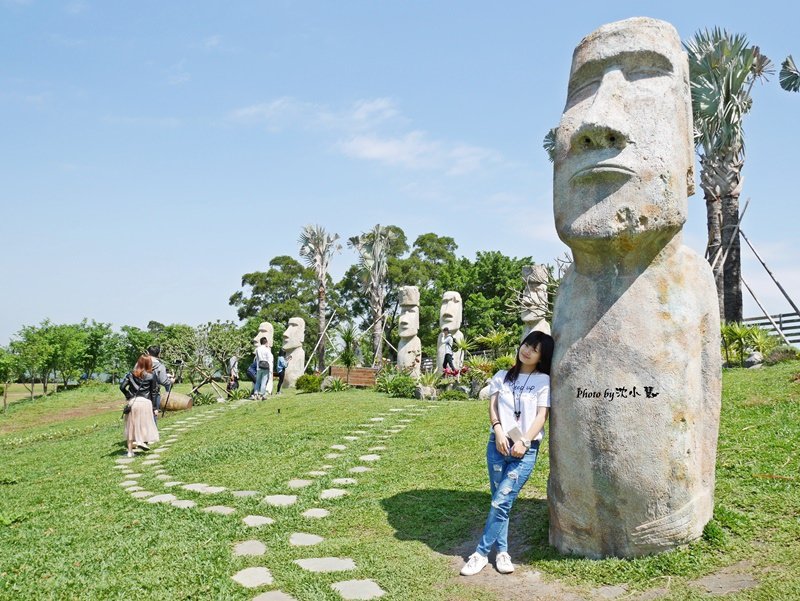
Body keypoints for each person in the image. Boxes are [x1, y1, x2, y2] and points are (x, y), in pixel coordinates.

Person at [460, 330, 554, 576]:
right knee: (499, 502)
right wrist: (499, 431)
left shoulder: (543, 380)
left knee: (502, 500)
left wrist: (524, 441)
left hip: (525, 449)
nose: (527, 351)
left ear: (541, 357)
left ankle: (480, 554)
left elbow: (541, 417)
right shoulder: (502, 376)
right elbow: (493, 409)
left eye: (535, 350)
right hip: (498, 444)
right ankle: (502, 552)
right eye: (527, 345)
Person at [120, 354, 160, 458]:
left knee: (131, 426)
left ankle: (129, 452)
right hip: (146, 403)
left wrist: (128, 395)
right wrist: (155, 408)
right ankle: (141, 441)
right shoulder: (152, 375)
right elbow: (154, 393)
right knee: (144, 424)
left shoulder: (131, 374)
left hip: (133, 402)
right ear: (149, 364)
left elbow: (122, 387)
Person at [146, 345, 173, 423]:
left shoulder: (140, 364)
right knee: (153, 415)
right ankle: (152, 433)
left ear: (148, 353)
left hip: (140, 394)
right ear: (159, 354)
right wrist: (170, 381)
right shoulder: (160, 366)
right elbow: (164, 381)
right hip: (154, 394)